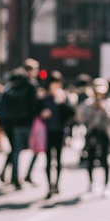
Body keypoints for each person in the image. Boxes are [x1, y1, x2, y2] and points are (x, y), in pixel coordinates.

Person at [0, 66, 38, 190]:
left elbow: (2, 106)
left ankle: (14, 176)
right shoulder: (31, 86)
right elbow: (34, 105)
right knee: (35, 149)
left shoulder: (10, 87)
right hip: (27, 123)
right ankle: (25, 175)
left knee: (16, 150)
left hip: (12, 123)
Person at [78, 78, 110, 196]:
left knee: (105, 160)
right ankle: (91, 183)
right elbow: (82, 118)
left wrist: (103, 108)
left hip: (105, 133)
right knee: (90, 159)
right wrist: (92, 108)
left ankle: (106, 185)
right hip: (92, 132)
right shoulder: (88, 103)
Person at [39, 70, 74, 199]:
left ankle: (57, 184)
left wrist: (62, 102)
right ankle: (49, 186)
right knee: (48, 160)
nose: (55, 86)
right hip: (47, 132)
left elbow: (71, 114)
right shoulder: (45, 98)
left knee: (58, 159)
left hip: (60, 131)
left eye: (57, 83)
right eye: (53, 83)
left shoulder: (64, 97)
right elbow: (37, 112)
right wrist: (43, 114)